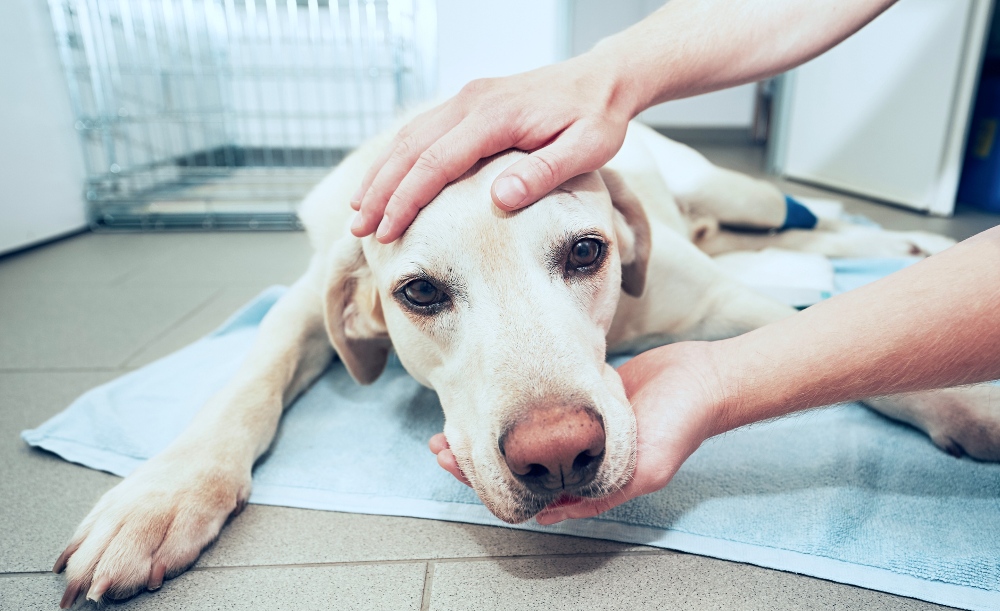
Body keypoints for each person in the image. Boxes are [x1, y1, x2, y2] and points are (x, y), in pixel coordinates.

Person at [353, 0, 1000, 523]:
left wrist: (922, 392)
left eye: (581, 254)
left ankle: (823, 225)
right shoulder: (361, 240)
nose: (554, 441)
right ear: (367, 308)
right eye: (425, 293)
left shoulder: (627, 217)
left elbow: (733, 305)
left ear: (628, 241)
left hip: (663, 181)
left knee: (753, 202)